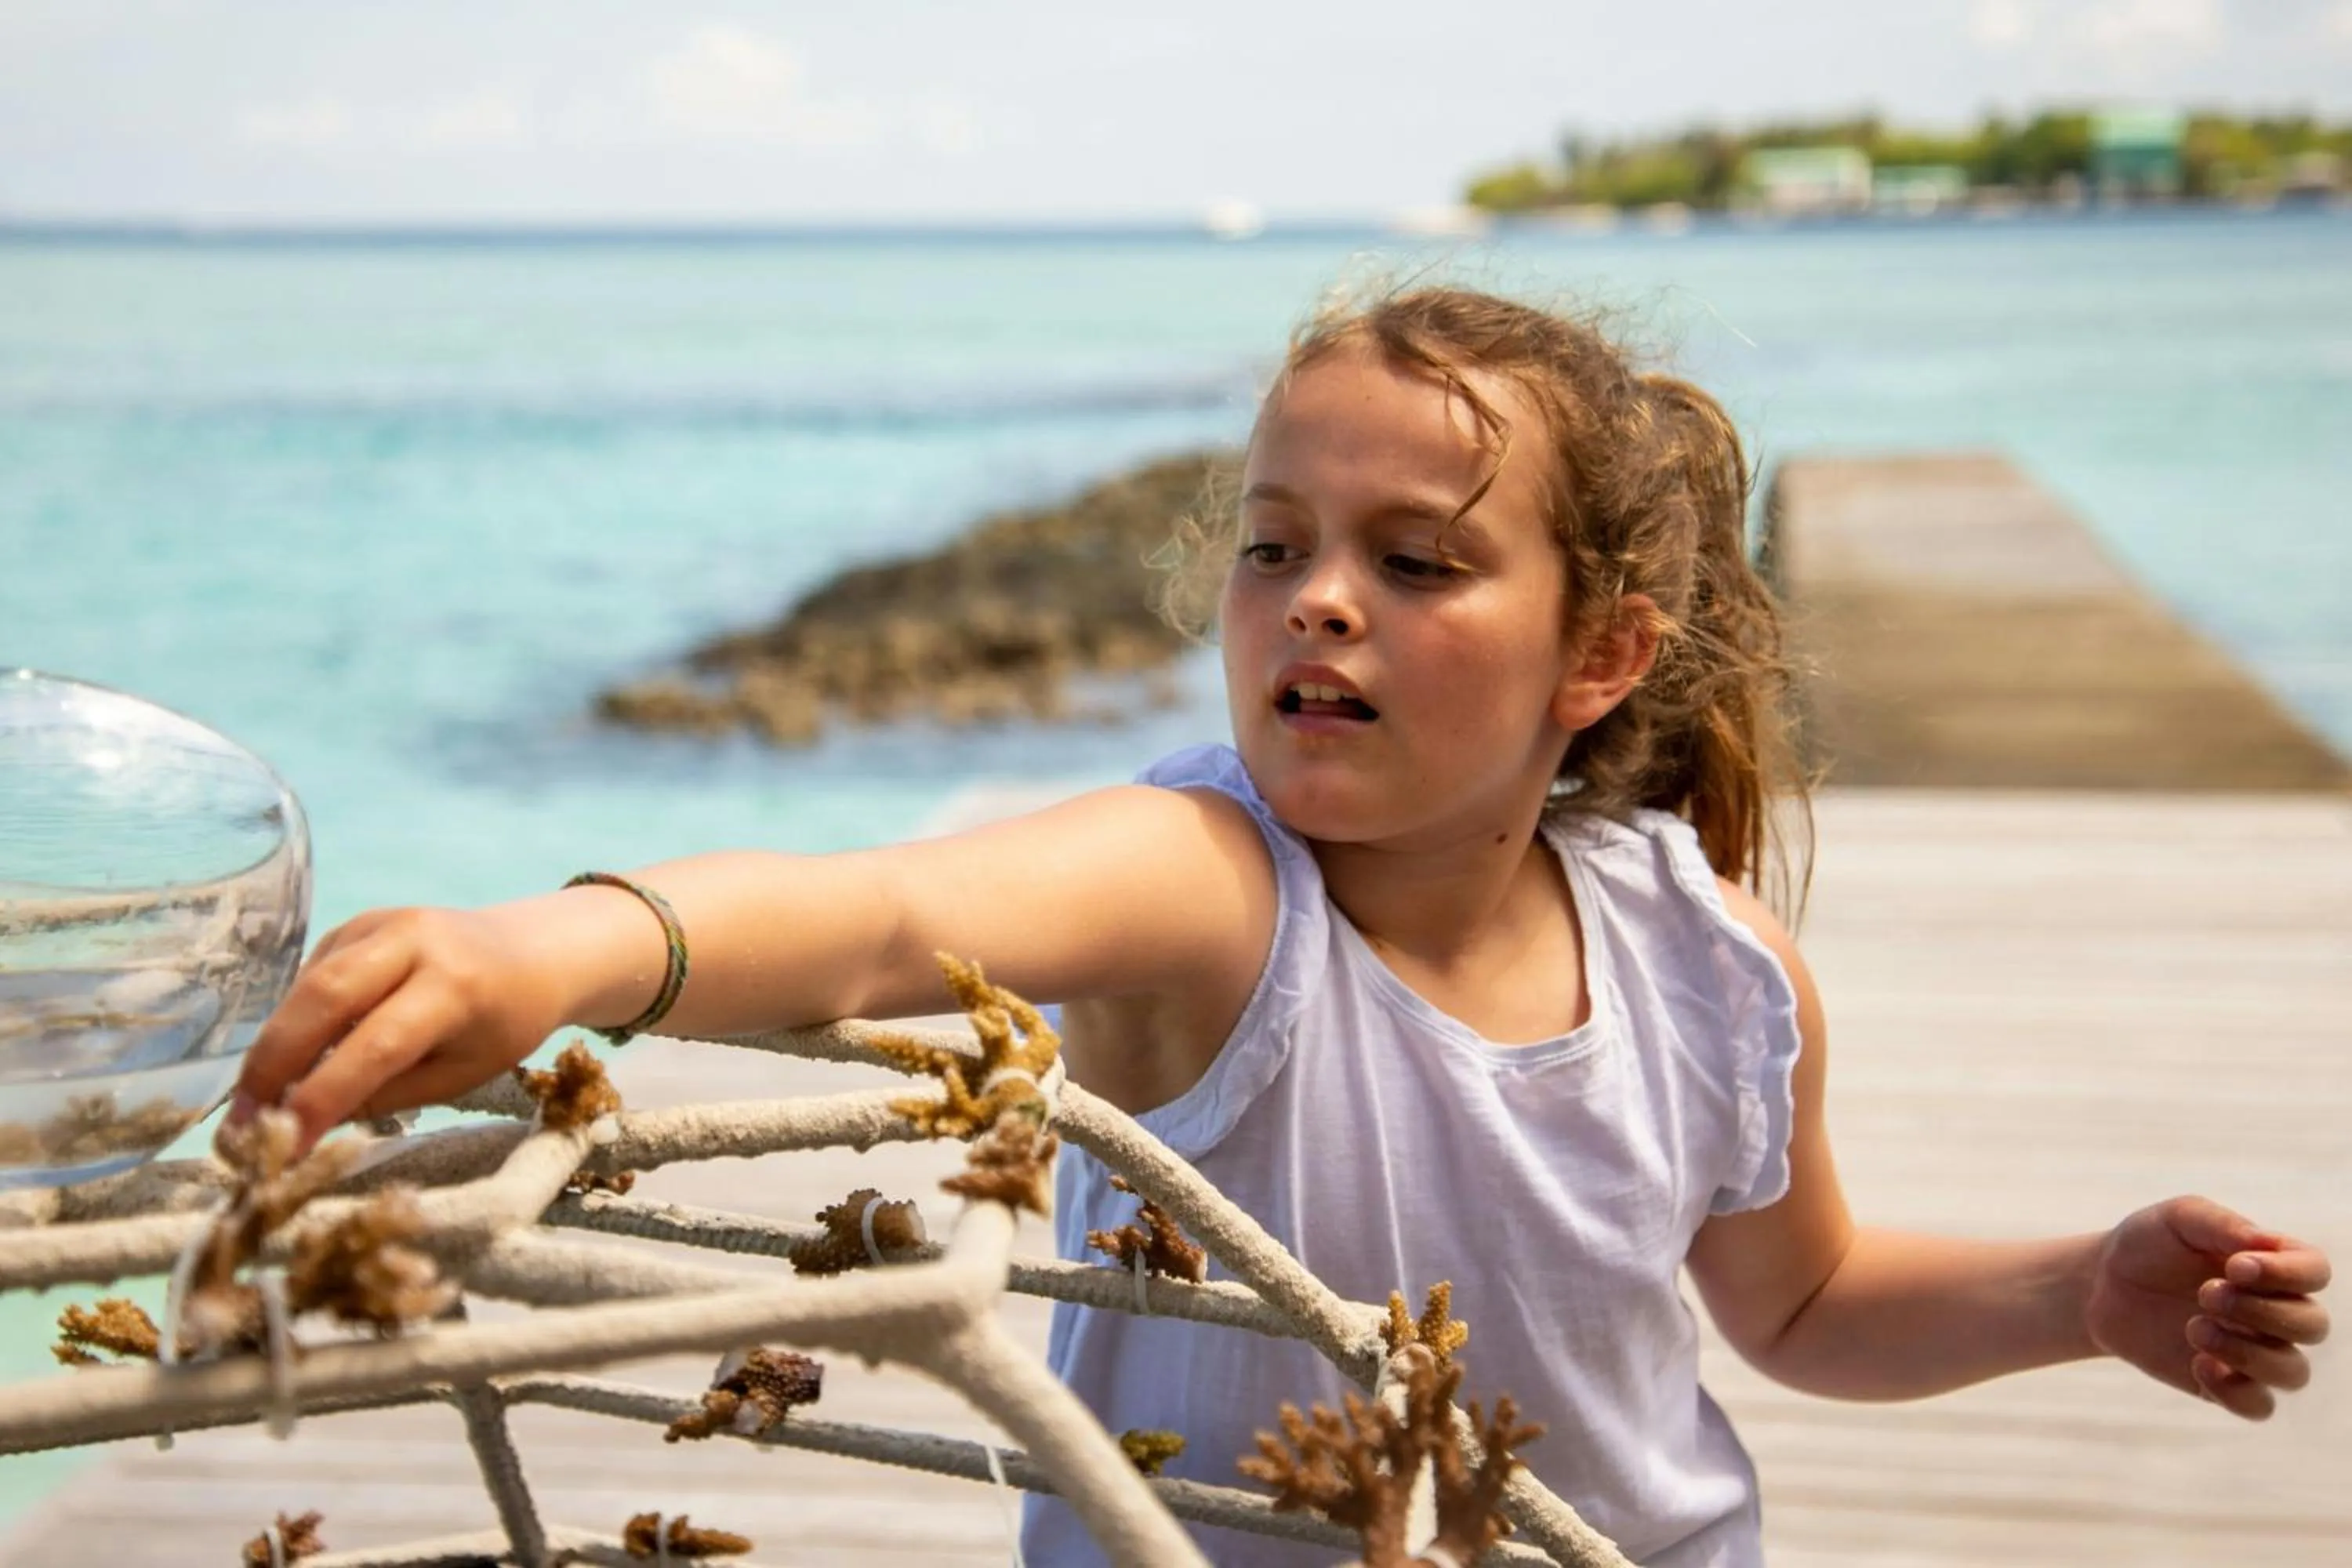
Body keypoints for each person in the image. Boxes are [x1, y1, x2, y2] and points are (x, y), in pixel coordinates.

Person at [230, 286, 2332, 1567]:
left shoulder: (1716, 970)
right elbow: (883, 914)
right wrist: (567, 954)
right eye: (1271, 545)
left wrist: (2078, 1295)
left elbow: (1802, 1311)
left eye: (1416, 562)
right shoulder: (1215, 899)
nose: (1316, 599)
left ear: (1598, 652)